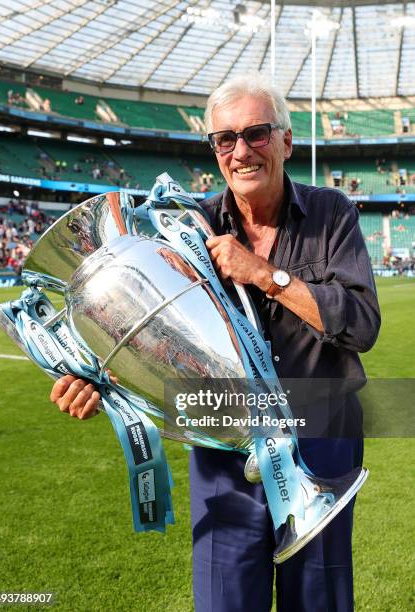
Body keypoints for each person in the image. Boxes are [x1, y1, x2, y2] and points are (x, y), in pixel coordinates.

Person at [49, 74, 380, 611]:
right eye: (225, 139)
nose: (241, 151)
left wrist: (265, 274)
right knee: (225, 602)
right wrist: (94, 380)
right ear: (214, 150)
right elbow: (133, 322)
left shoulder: (332, 214)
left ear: (287, 141)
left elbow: (363, 324)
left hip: (322, 439)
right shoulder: (186, 224)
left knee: (318, 601)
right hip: (221, 448)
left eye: (256, 133)